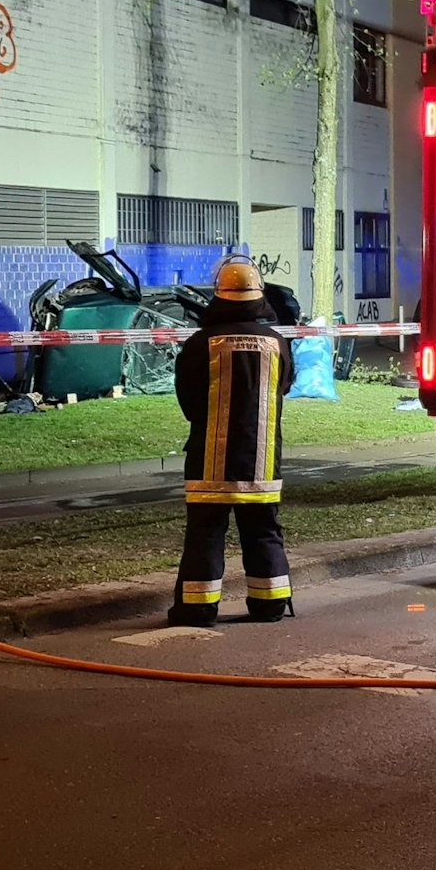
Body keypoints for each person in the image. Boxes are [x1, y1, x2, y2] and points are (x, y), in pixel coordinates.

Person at [168, 257, 296, 626]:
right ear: (259, 297)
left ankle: (197, 608)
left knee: (205, 534)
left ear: (219, 296)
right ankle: (270, 604)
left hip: (210, 461)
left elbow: (189, 402)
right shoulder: (277, 344)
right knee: (263, 532)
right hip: (262, 461)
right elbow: (284, 387)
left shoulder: (199, 344)